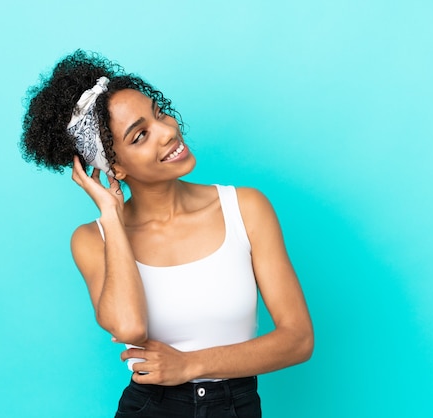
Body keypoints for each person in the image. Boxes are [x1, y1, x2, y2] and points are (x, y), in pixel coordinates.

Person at [20, 49, 313, 418]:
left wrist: (190, 365)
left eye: (158, 114)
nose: (168, 131)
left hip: (235, 406)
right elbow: (129, 326)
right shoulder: (92, 240)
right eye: (140, 135)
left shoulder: (246, 209)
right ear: (115, 169)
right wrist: (111, 214)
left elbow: (298, 339)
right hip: (151, 407)